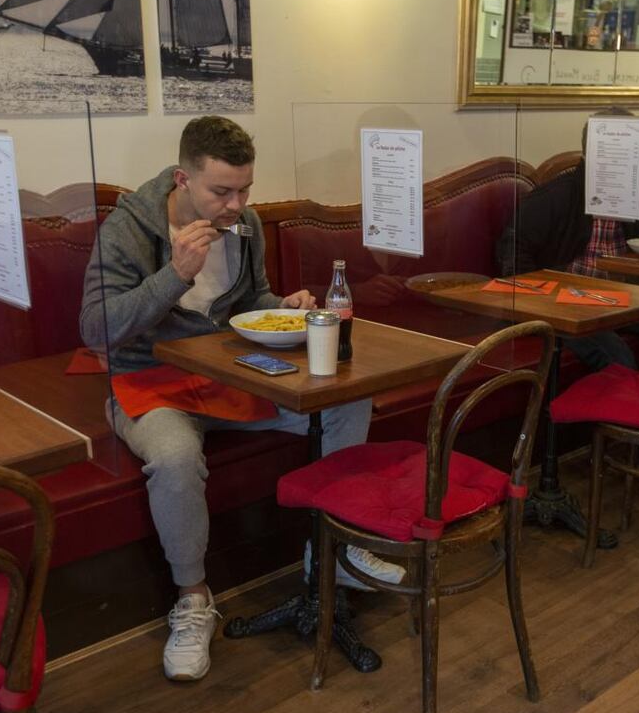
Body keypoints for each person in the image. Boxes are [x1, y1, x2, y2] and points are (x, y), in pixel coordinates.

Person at [80, 116, 402, 682]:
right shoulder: (126, 230)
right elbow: (97, 330)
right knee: (176, 458)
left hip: (232, 374)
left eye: (245, 189)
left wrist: (288, 302)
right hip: (149, 381)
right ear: (183, 179)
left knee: (349, 401)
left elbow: (250, 299)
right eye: (221, 191)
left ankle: (335, 553)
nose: (236, 205)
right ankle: (194, 598)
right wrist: (174, 274)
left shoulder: (245, 223)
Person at [496, 109, 639, 512]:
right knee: (618, 356)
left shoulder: (628, 194)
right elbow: (511, 255)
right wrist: (552, 296)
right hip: (569, 306)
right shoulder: (558, 196)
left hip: (623, 299)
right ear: (594, 151)